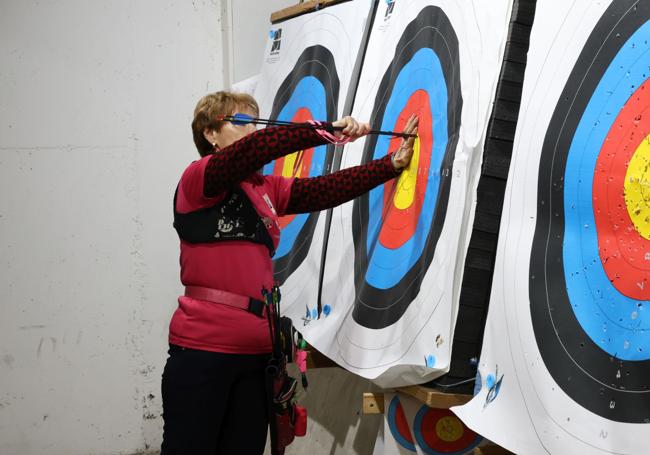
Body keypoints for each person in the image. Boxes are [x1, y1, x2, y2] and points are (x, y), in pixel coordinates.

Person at [161, 91, 418, 454]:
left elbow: (324, 190)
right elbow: (259, 148)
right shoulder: (198, 180)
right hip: (204, 351)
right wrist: (326, 132)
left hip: (257, 354)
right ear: (210, 134)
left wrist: (389, 165)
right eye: (241, 123)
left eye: (255, 121)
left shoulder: (263, 189)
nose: (252, 131)